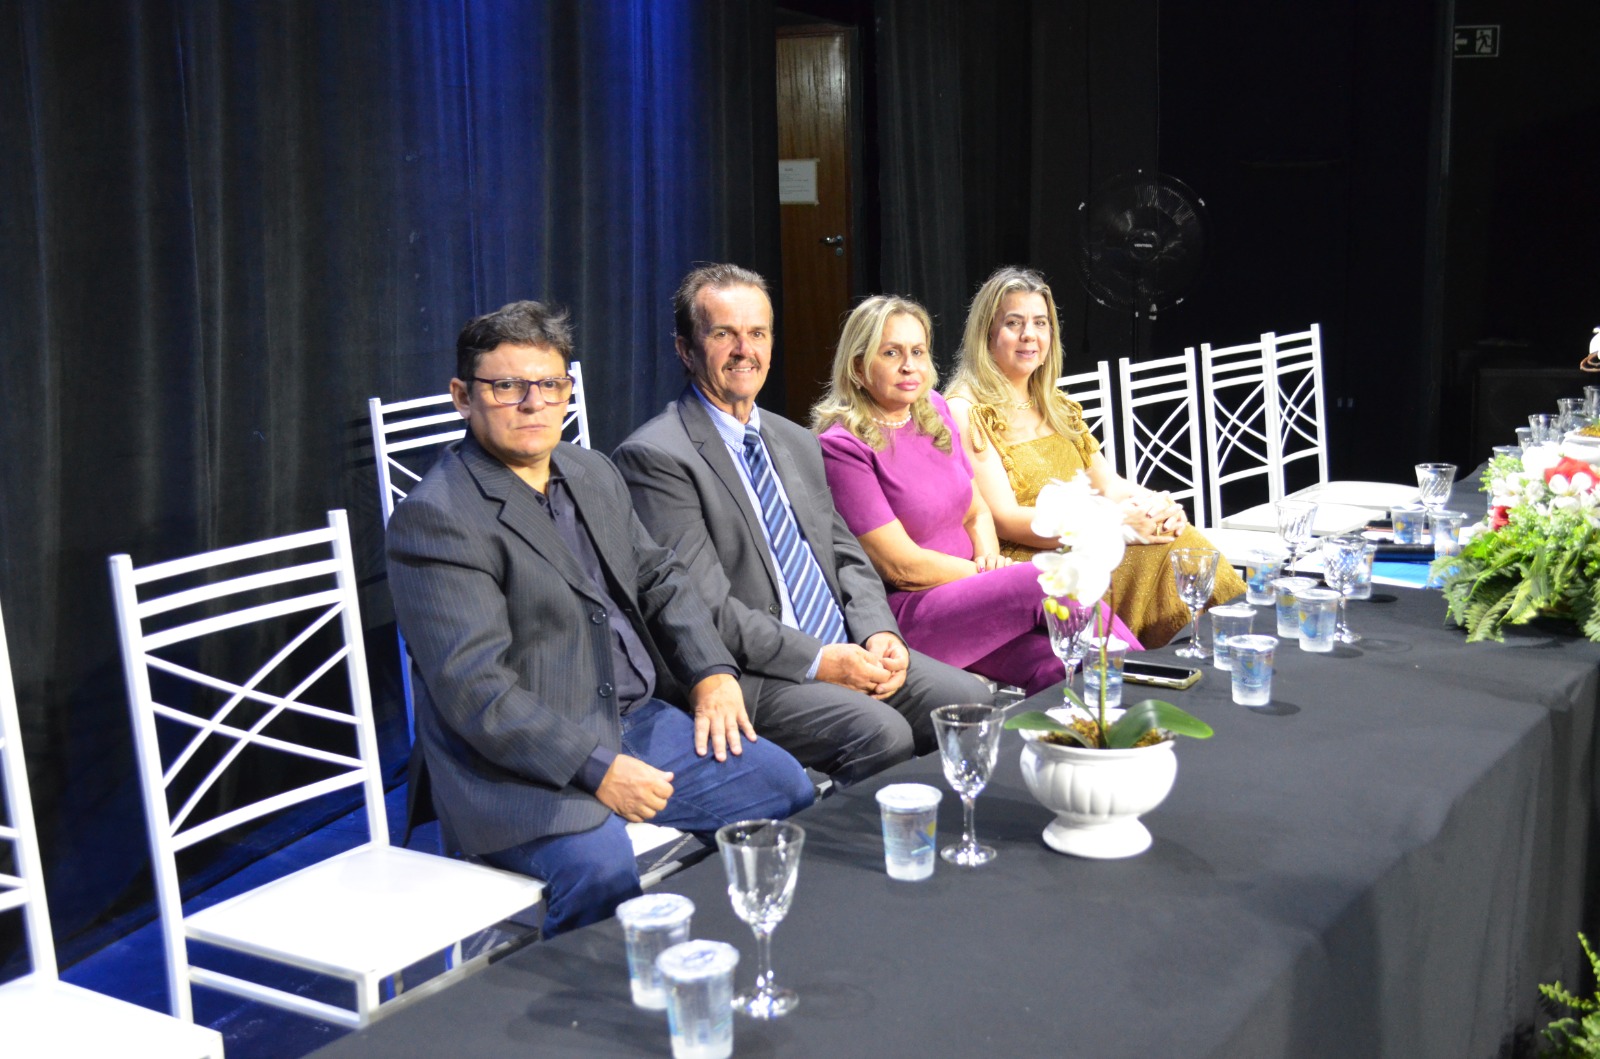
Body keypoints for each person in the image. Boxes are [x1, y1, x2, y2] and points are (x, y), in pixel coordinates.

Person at [386, 300, 814, 937]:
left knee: (783, 789)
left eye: (550, 384)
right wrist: (598, 769)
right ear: (462, 396)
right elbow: (477, 694)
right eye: (507, 386)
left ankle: (718, 952)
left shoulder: (590, 470)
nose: (533, 402)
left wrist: (711, 673)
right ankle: (589, 1015)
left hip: (633, 719)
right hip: (517, 763)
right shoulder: (438, 519)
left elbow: (660, 577)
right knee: (602, 870)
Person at [614, 265, 991, 787]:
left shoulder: (794, 440)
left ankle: (940, 843)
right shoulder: (657, 457)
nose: (744, 349)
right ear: (685, 349)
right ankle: (851, 863)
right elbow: (703, 608)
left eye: (758, 333)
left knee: (970, 700)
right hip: (754, 671)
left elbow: (847, 557)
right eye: (724, 334)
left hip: (846, 644)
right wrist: (821, 661)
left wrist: (880, 631)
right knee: (881, 734)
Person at [812, 295, 1141, 695]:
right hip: (914, 613)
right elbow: (901, 567)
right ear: (859, 366)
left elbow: (975, 510)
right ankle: (1155, 678)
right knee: (1047, 578)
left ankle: (1116, 732)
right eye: (891, 352)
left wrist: (987, 559)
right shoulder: (842, 447)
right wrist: (989, 574)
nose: (909, 365)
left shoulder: (931, 410)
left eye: (917, 351)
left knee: (1060, 664)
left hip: (975, 597)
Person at [945, 267, 1246, 647]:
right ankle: (1193, 660)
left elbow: (1109, 485)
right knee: (1166, 558)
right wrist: (1113, 524)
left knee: (1181, 540)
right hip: (1036, 557)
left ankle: (1222, 654)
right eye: (1013, 323)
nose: (1029, 335)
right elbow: (1004, 520)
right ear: (986, 334)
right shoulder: (966, 409)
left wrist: (1157, 504)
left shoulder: (1057, 404)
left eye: (1040, 323)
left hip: (1092, 535)